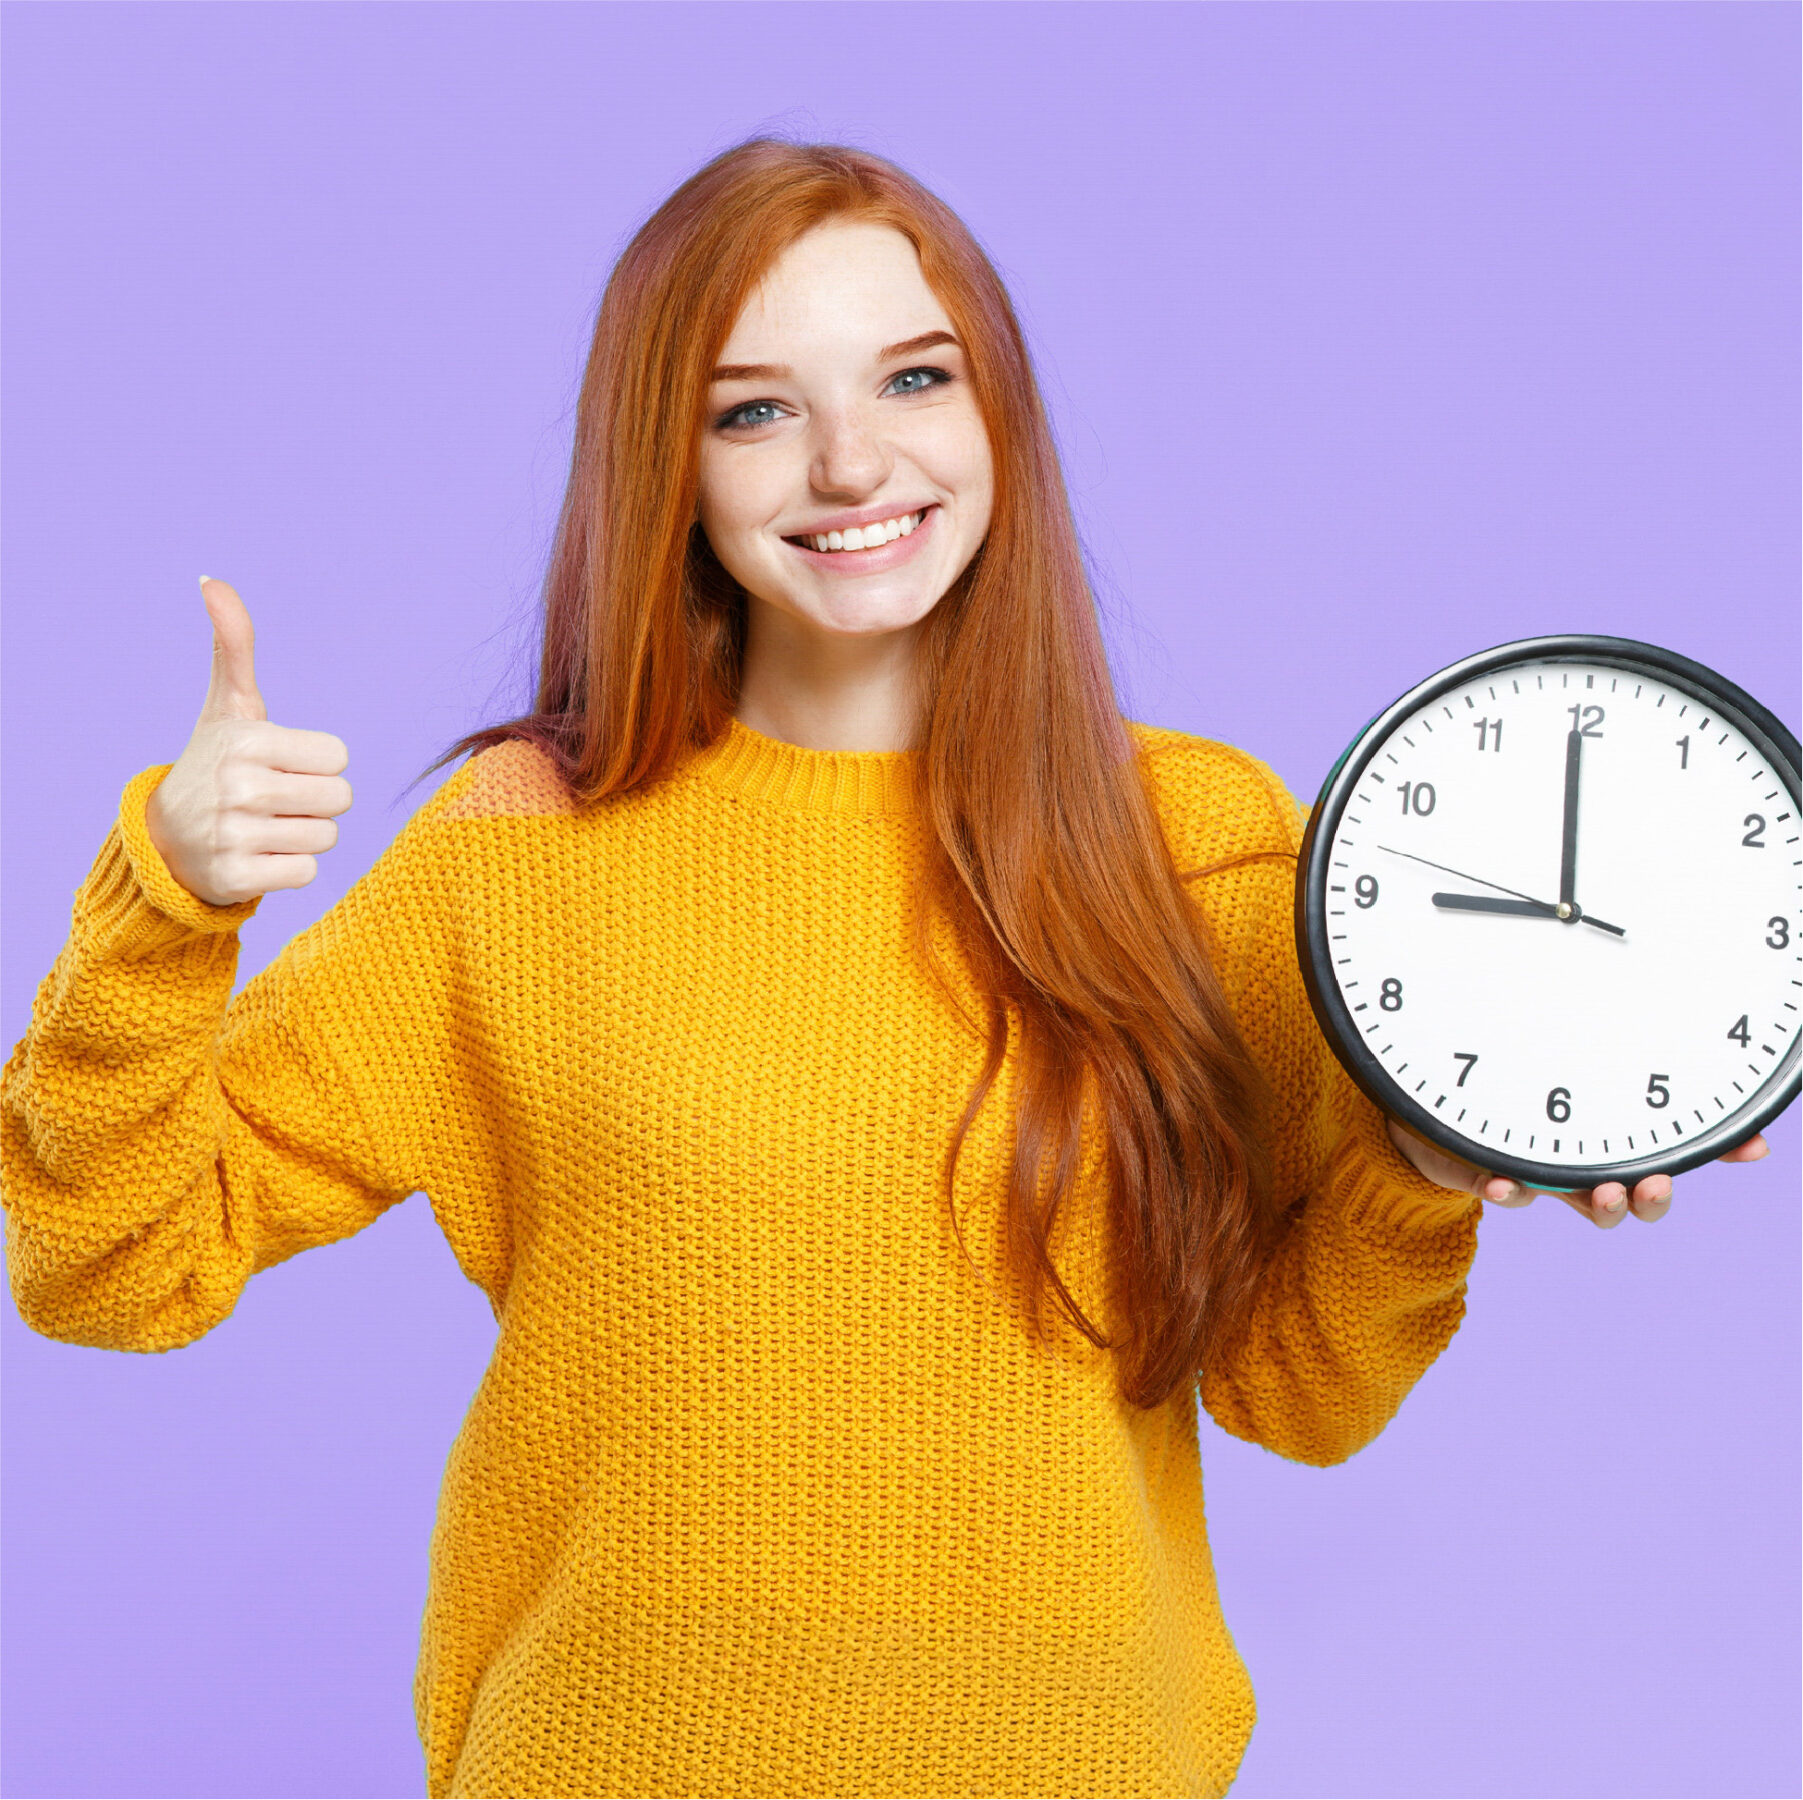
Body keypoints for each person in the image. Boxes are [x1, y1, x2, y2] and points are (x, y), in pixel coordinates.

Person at [0, 137, 1769, 1800]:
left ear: (1000, 409)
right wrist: (169, 896)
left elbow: (1294, 1397)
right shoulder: (519, 848)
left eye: (916, 379)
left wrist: (1436, 1160)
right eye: (757, 410)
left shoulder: (1214, 848)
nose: (854, 464)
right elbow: (115, 1263)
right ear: (666, 471)